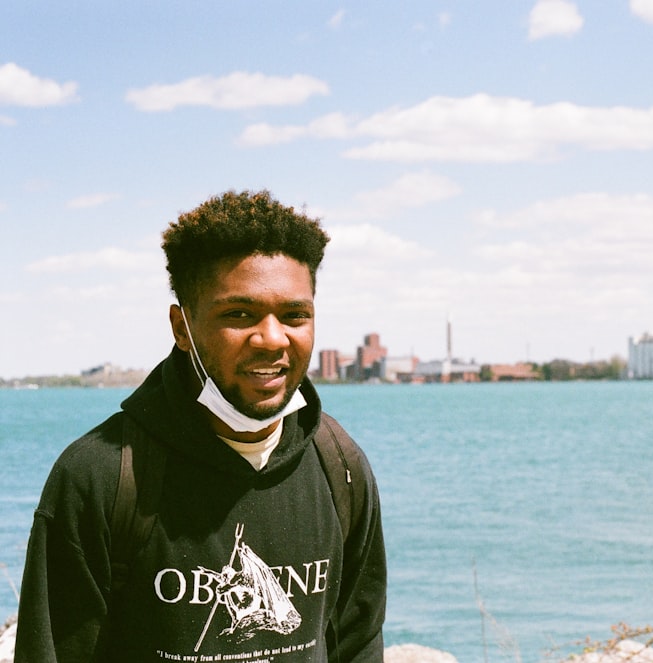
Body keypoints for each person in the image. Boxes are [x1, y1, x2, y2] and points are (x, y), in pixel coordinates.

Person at [15, 190, 386, 662]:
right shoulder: (100, 476)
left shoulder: (340, 465)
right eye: (239, 314)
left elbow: (358, 643)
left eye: (295, 315)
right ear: (181, 327)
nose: (272, 339)